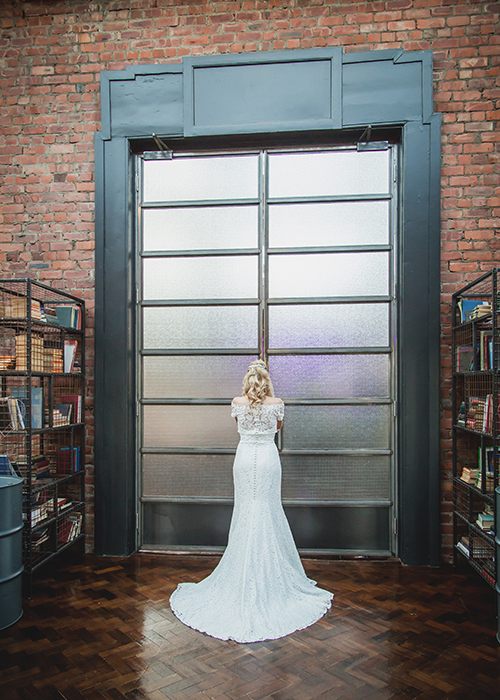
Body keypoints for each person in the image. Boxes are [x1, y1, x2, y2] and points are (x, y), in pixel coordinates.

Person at [170, 360, 333, 643]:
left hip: (245, 459)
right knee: (267, 509)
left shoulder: (237, 402)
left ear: (247, 380)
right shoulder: (277, 402)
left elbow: (239, 424)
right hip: (268, 459)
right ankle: (270, 578)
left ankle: (243, 573)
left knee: (247, 510)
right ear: (267, 380)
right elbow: (278, 427)